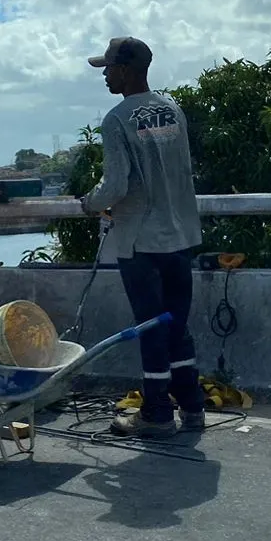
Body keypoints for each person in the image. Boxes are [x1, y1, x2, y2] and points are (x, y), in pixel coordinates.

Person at [81, 37, 206, 438]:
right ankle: (191, 406)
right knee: (177, 325)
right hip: (181, 234)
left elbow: (115, 185)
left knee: (151, 326)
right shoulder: (173, 109)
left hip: (140, 242)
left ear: (125, 69)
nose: (104, 76)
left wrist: (89, 203)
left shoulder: (117, 119)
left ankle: (155, 413)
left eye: (108, 69)